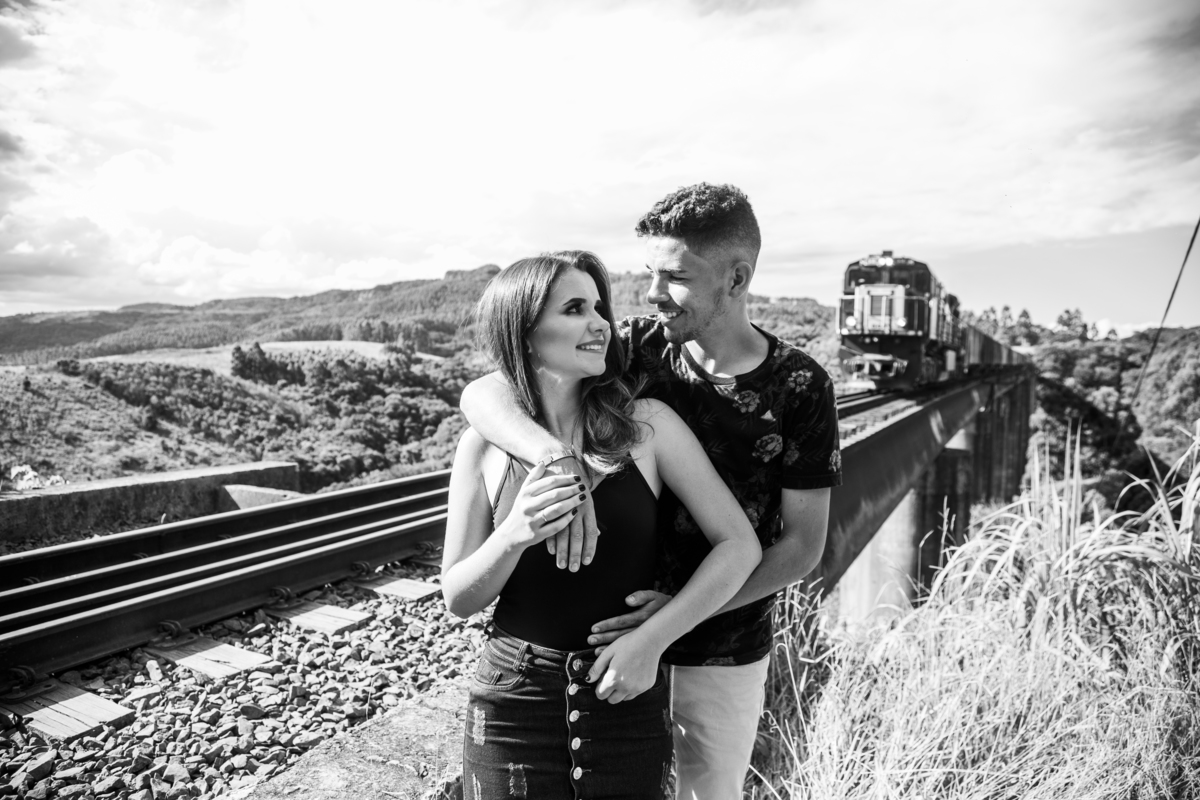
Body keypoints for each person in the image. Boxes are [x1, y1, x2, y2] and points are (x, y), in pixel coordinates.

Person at [459, 184, 842, 799]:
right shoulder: (636, 345)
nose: (654, 293)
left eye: (676, 277)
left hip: (720, 641)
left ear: (737, 279)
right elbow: (490, 389)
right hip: (607, 636)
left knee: (707, 793)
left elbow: (800, 547)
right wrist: (554, 459)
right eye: (649, 273)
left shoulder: (800, 384)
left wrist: (671, 617)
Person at [442, 250, 762, 800]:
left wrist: (654, 639)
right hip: (512, 703)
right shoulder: (483, 447)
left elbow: (739, 545)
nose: (600, 324)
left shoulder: (647, 427)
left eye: (597, 308)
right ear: (524, 331)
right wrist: (514, 533)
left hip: (624, 696)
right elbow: (458, 596)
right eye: (574, 309)